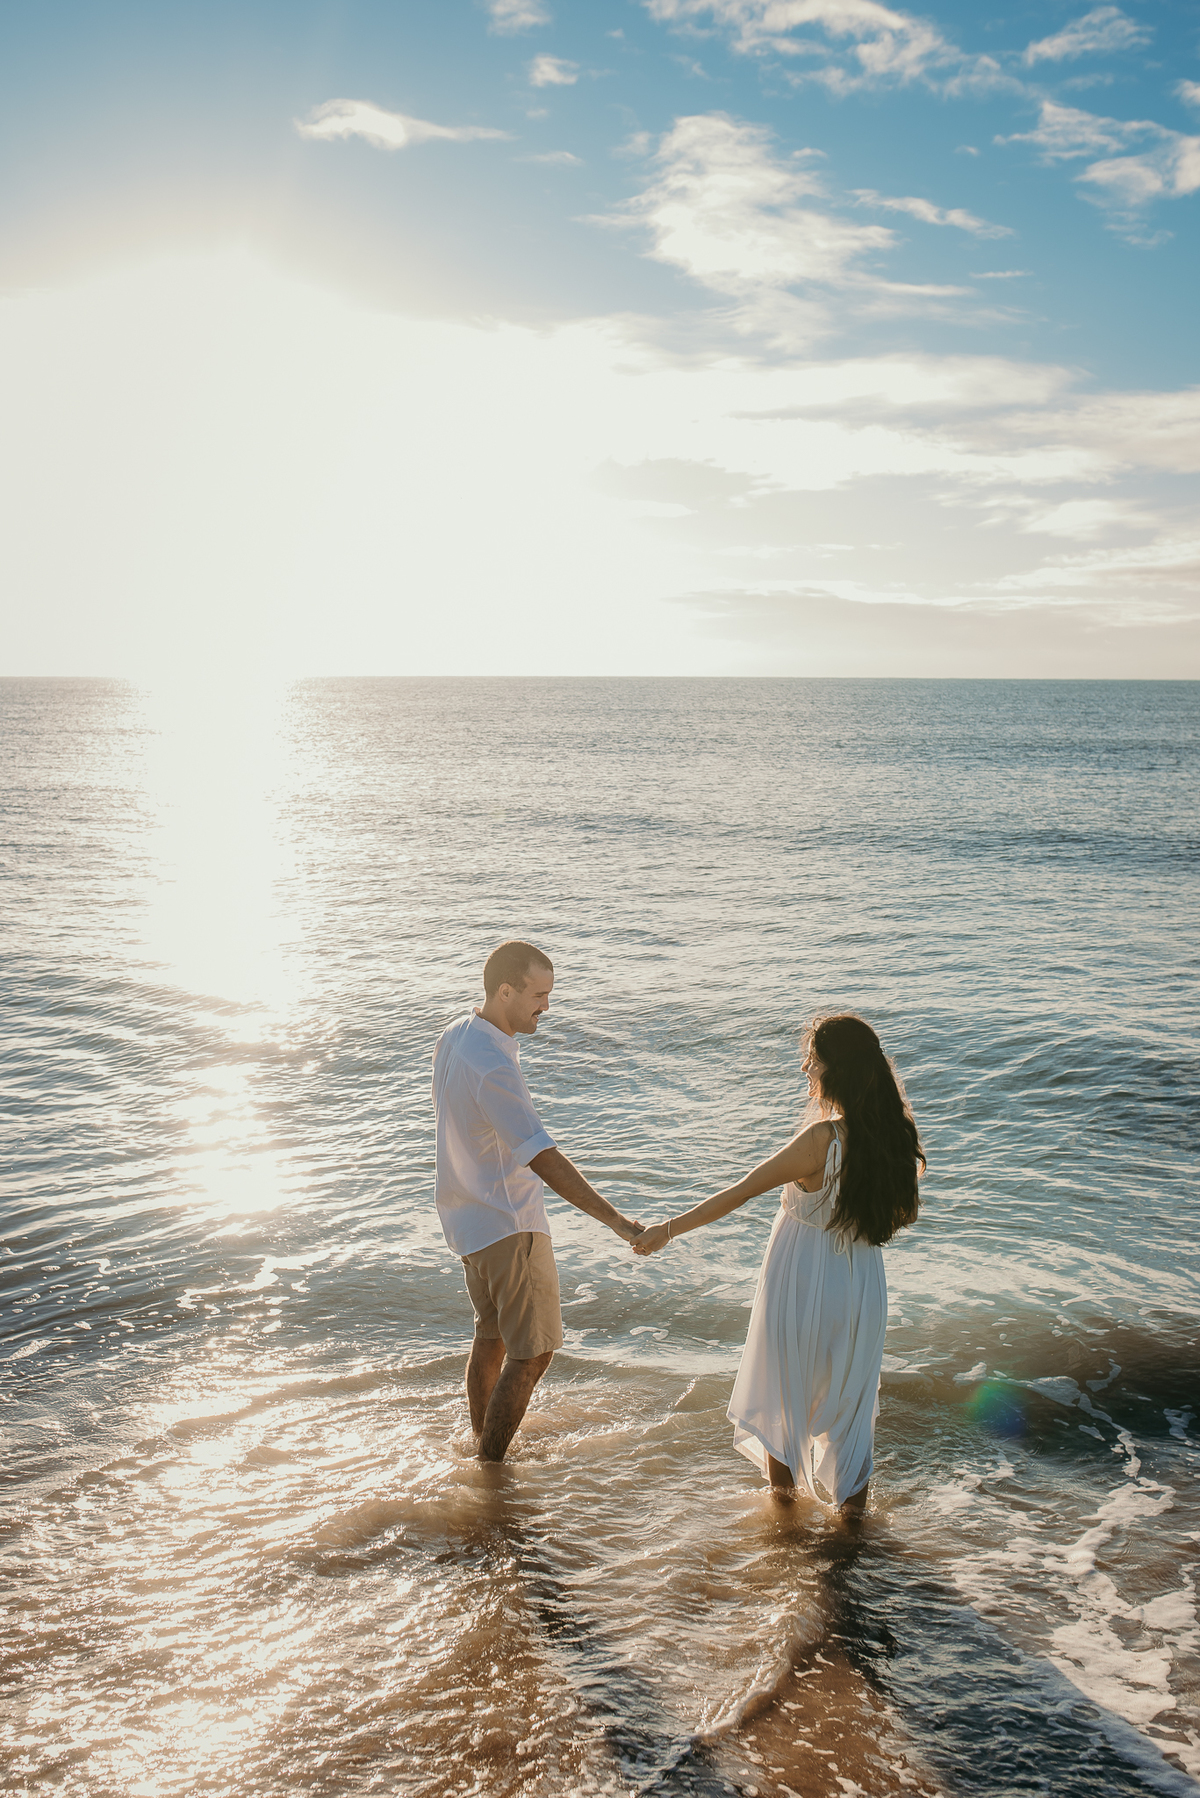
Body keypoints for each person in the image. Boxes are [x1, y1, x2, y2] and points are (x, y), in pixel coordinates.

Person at [633, 1014, 923, 1518]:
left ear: (838, 1072)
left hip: (803, 1279)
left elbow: (740, 1192)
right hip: (862, 1287)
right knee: (852, 1413)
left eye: (813, 1062)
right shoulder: (892, 1140)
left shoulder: (822, 1141)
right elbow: (896, 1216)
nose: (806, 1071)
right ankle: (851, 1536)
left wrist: (669, 1229)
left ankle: (785, 1527)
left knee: (783, 1395)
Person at [432, 940, 643, 1463]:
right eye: (537, 995)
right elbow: (543, 1158)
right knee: (533, 1354)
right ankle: (492, 1468)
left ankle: (483, 1447)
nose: (546, 1007)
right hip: (509, 1224)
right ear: (505, 991)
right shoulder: (493, 1066)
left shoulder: (457, 1034)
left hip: (468, 1220)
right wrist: (617, 1222)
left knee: (491, 1338)